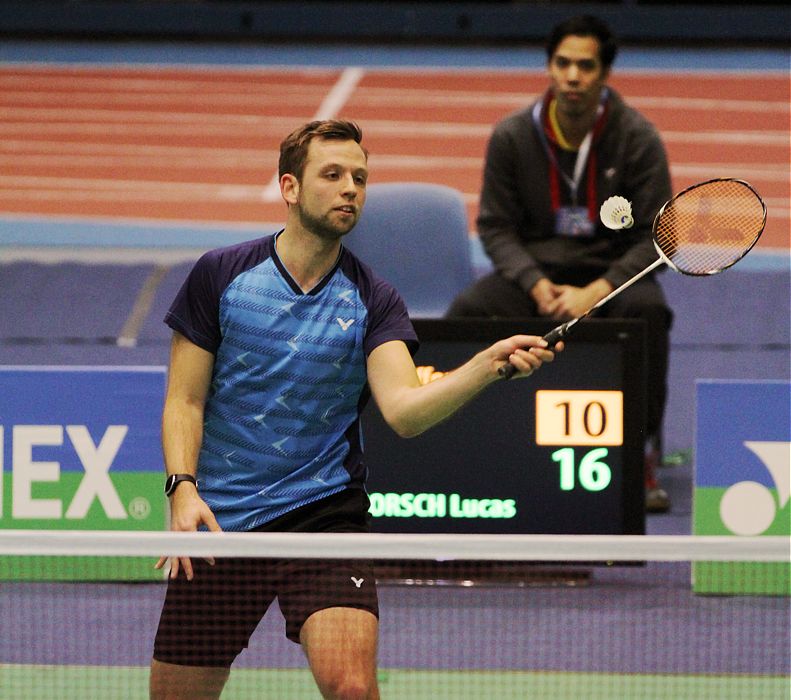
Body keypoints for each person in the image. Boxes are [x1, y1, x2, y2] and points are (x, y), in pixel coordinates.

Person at [149, 119, 560, 700]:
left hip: (322, 514)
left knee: (351, 689)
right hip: (223, 516)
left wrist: (486, 365)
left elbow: (405, 411)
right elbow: (184, 401)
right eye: (333, 175)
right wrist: (182, 489)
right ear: (289, 187)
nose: (351, 189)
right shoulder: (222, 276)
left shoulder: (372, 298)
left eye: (360, 178)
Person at [446, 15, 673, 513]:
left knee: (650, 313)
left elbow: (658, 237)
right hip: (535, 274)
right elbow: (495, 226)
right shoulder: (512, 136)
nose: (573, 76)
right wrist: (533, 281)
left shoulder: (637, 139)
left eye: (585, 66)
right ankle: (461, 442)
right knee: (467, 310)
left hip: (609, 276)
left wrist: (601, 287)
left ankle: (640, 452)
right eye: (563, 63)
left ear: (605, 72)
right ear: (549, 67)